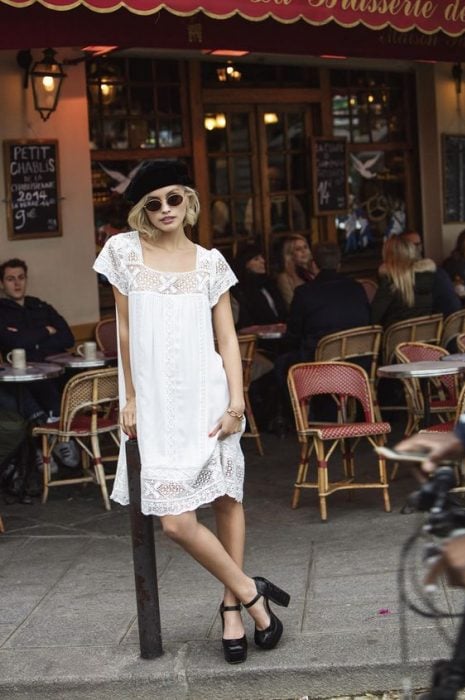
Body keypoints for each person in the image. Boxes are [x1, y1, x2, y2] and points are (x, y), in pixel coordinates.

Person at [93, 160, 290, 665]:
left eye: (173, 199)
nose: (164, 210)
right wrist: (130, 397)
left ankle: (231, 609)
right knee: (176, 522)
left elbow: (227, 338)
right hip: (155, 404)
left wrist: (237, 401)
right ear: (141, 208)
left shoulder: (210, 262)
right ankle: (252, 592)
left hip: (208, 394)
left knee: (225, 497)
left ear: (188, 200)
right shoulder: (122, 253)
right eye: (153, 202)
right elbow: (124, 331)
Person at [0, 258, 78, 467]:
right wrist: (45, 331)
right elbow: (12, 342)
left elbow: (67, 337)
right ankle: (50, 442)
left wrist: (29, 339)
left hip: (57, 370)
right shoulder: (1, 311)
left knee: (73, 381)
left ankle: (53, 441)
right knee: (33, 388)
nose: (16, 284)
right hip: (24, 375)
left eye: (21, 278)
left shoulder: (40, 306)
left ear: (26, 280)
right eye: (10, 279)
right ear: (2, 283)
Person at [286, 242, 370, 360]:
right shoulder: (357, 288)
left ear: (314, 265)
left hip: (318, 368)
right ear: (338, 265)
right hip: (358, 364)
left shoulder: (304, 293)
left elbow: (294, 336)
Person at [371, 235, 436, 327]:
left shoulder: (389, 284)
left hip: (395, 340)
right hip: (426, 339)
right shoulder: (430, 278)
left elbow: (373, 319)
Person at [401, 231, 461, 317]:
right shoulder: (401, 277)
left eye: (418, 244)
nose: (416, 248)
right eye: (412, 245)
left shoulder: (434, 273)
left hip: (440, 325)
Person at [232, 245, 287, 330]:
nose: (263, 261)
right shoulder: (241, 290)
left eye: (262, 257)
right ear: (246, 264)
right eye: (256, 259)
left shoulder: (269, 284)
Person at [276, 234, 316, 310]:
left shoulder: (314, 272)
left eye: (305, 247)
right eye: (298, 249)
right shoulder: (284, 278)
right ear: (290, 254)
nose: (304, 251)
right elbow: (291, 305)